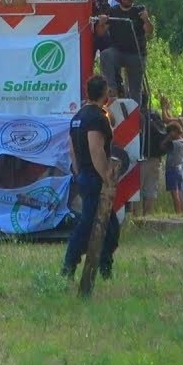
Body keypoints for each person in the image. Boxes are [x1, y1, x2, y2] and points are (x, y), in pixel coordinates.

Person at [61, 76, 122, 279]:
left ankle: (104, 268)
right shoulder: (97, 118)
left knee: (109, 228)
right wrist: (106, 176)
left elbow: (71, 149)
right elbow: (96, 149)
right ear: (104, 93)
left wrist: (79, 172)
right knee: (90, 225)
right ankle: (69, 266)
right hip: (95, 177)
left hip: (85, 175)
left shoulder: (78, 117)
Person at [95, 0, 153, 102]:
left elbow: (149, 31)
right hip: (118, 52)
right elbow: (100, 33)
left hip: (136, 54)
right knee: (106, 54)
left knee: (135, 90)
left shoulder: (139, 11)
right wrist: (101, 23)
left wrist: (147, 20)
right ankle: (111, 91)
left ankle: (135, 114)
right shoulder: (112, 11)